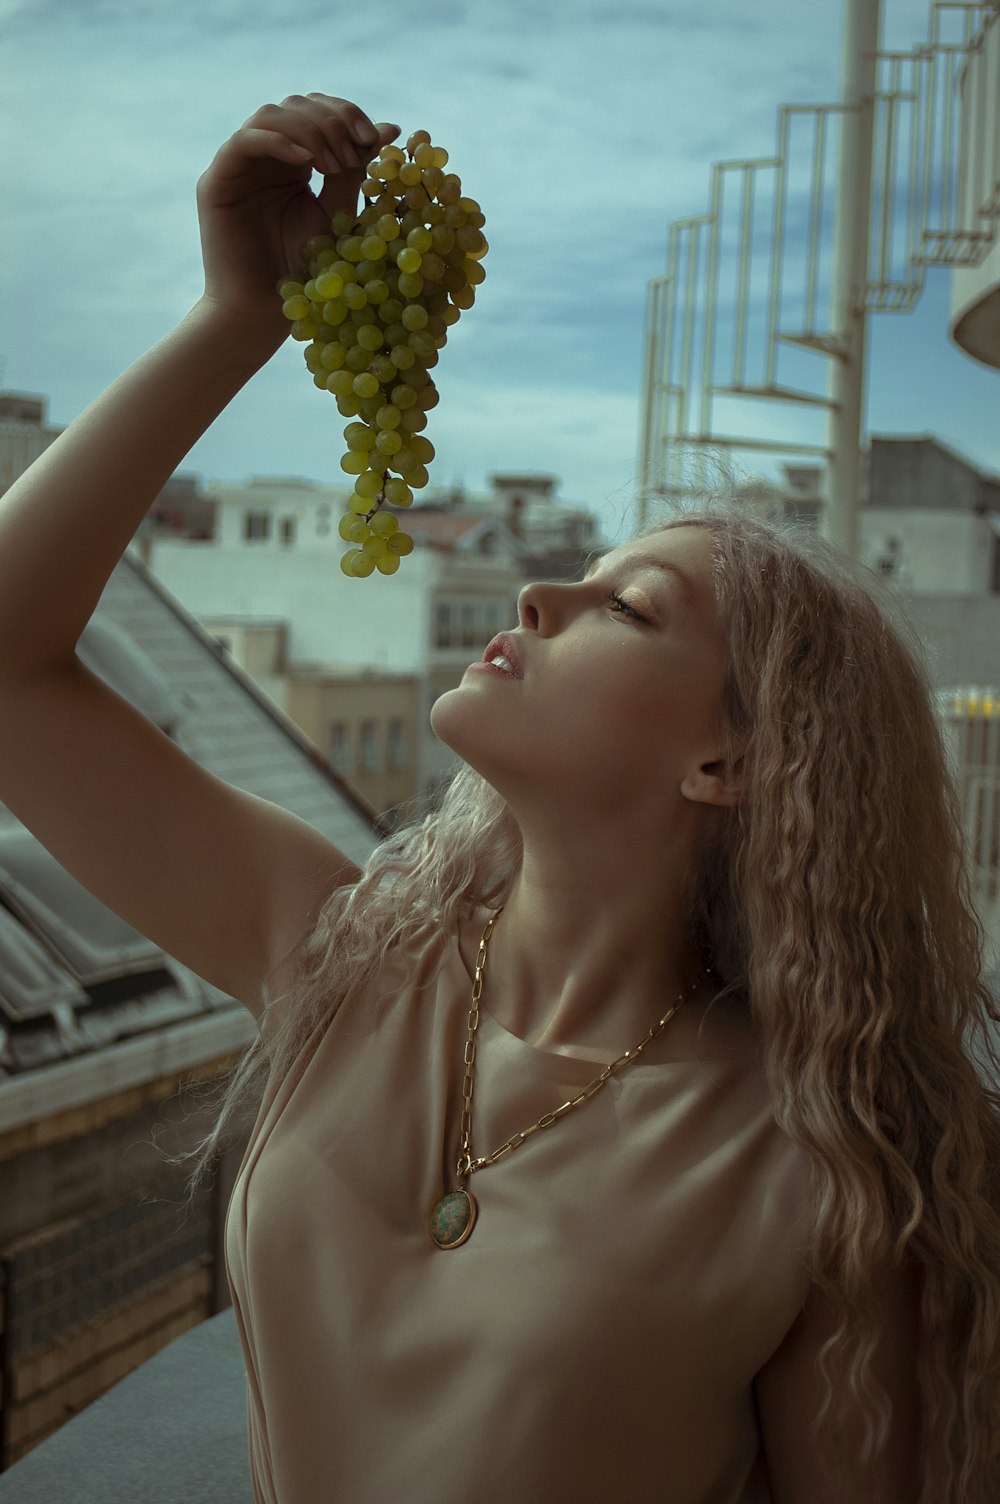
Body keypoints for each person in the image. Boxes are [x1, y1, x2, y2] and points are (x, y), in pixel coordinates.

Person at [1, 92, 999, 1504]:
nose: (544, 592)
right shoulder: (339, 961)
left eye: (628, 608)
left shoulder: (824, 1179)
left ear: (733, 763)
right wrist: (238, 318)